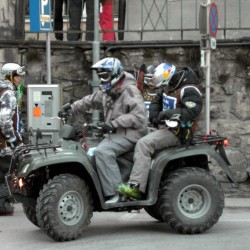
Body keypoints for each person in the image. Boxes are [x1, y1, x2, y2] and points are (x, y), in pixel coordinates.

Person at [67, 57, 148, 203]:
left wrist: (113, 123)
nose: (102, 79)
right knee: (88, 150)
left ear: (115, 73)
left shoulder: (130, 91)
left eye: (104, 75)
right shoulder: (108, 90)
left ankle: (117, 193)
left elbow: (139, 117)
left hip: (131, 134)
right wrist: (71, 108)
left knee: (103, 151)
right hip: (117, 133)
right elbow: (90, 100)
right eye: (100, 76)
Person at [118, 63, 203, 199]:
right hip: (164, 128)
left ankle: (136, 187)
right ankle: (128, 177)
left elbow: (192, 112)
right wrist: (154, 115)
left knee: (144, 144)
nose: (158, 86)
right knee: (131, 135)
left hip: (178, 132)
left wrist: (165, 114)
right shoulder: (168, 86)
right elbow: (156, 102)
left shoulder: (188, 89)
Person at [0, 63, 25, 215]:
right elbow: (3, 120)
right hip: (4, 144)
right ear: (10, 76)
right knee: (6, 173)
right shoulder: (8, 93)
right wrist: (14, 140)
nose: (20, 79)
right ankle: (3, 205)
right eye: (17, 76)